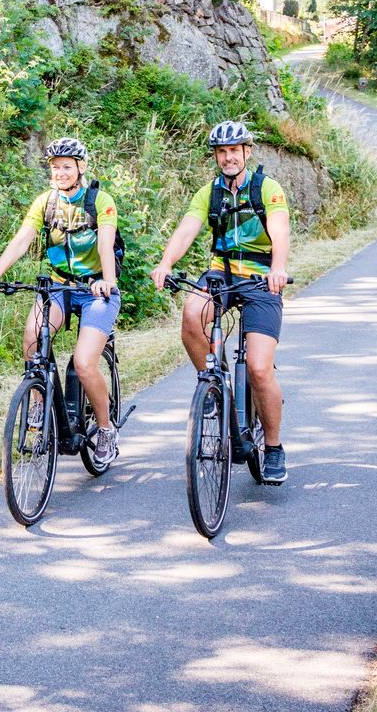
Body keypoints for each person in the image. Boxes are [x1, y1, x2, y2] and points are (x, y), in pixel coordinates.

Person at [151, 120, 292, 484]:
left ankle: (274, 448)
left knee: (260, 369)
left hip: (262, 278)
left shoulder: (267, 188)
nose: (228, 157)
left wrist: (278, 269)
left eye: (234, 151)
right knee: (191, 315)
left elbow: (279, 230)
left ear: (247, 152)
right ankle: (215, 383)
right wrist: (166, 263)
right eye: (222, 152)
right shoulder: (210, 193)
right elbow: (187, 229)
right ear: (216, 156)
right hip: (223, 274)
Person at [0, 137, 122, 468]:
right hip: (60, 286)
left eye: (66, 167)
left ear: (81, 168)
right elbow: (21, 240)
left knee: (86, 363)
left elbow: (105, 244)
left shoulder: (100, 201)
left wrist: (108, 281)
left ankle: (105, 431)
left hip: (95, 290)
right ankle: (38, 400)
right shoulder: (45, 203)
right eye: (55, 167)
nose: (60, 172)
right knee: (32, 337)